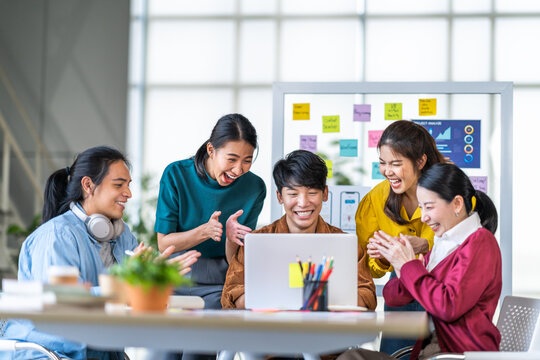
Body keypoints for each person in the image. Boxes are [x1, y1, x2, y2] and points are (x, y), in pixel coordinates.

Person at [1, 146, 200, 360]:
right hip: (52, 353)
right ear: (88, 185)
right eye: (119, 185)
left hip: (100, 352)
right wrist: (126, 287)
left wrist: (152, 277)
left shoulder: (122, 235)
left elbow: (134, 297)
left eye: (128, 185)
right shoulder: (57, 236)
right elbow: (64, 304)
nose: (129, 193)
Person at [338, 163, 501, 360]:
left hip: (455, 355)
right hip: (429, 353)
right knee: (352, 356)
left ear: (457, 204)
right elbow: (393, 297)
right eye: (421, 207)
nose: (423, 217)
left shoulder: (480, 242)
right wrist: (397, 262)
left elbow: (448, 307)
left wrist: (409, 265)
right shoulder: (443, 244)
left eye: (429, 207)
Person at [222, 149, 376, 310]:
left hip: (328, 331)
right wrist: (285, 298)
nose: (303, 203)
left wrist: (316, 298)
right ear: (280, 197)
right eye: (293, 194)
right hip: (272, 331)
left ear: (325, 194)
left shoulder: (346, 245)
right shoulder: (256, 242)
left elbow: (368, 297)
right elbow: (232, 295)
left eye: (311, 192)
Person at [155, 113, 266, 310]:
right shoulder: (175, 174)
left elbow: (237, 260)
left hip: (221, 281)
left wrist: (230, 239)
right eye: (232, 159)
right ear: (211, 150)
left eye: (247, 160)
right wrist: (204, 232)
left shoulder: (254, 187)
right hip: (175, 275)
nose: (239, 169)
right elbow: (164, 243)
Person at [355, 120, 445, 355]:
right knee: (396, 356)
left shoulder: (448, 192)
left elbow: (466, 244)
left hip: (445, 292)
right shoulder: (376, 199)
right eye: (383, 163)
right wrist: (383, 258)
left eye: (396, 164)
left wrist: (424, 245)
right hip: (401, 292)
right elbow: (372, 270)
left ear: (420, 161)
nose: (387, 171)